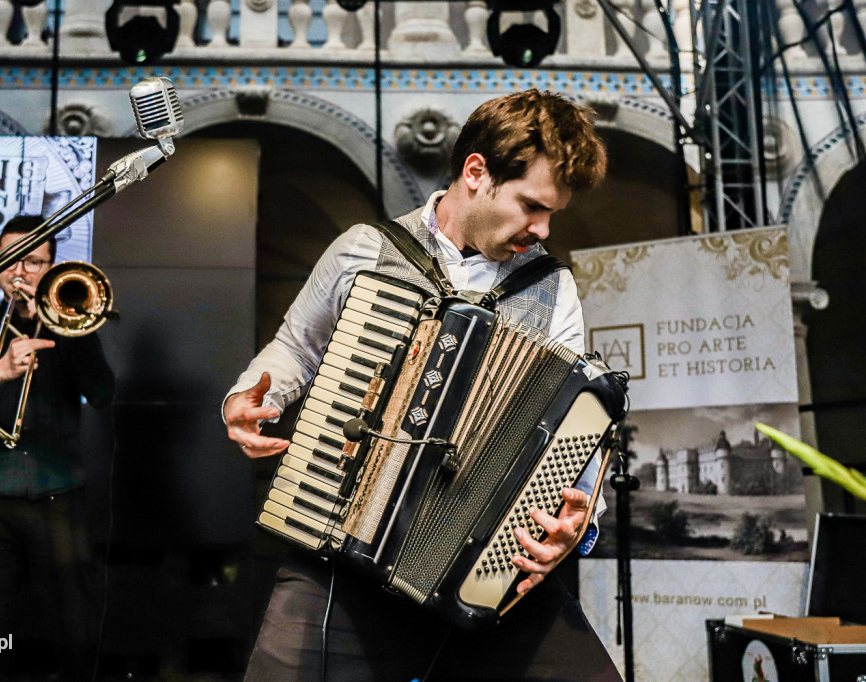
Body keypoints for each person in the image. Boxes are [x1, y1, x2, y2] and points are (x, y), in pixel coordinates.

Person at [223, 90, 621, 681]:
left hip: (484, 563)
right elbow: (296, 347)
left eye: (552, 214)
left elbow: (572, 417)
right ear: (476, 172)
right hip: (340, 543)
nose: (541, 229)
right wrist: (251, 397)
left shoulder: (551, 287)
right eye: (532, 205)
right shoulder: (366, 250)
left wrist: (578, 520)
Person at [0, 215, 114, 681]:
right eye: (11, 261)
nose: (20, 272)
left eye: (34, 262)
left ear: (53, 268)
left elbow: (102, 394)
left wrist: (66, 331)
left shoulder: (75, 325)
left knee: (76, 628)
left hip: (58, 493)